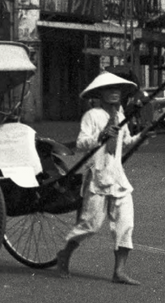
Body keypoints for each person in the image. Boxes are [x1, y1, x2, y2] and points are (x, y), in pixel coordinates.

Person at [55, 71, 141, 285]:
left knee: (125, 224)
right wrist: (100, 136)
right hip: (97, 176)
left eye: (117, 90)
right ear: (100, 93)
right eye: (109, 89)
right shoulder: (92, 116)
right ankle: (65, 254)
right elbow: (81, 143)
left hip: (118, 177)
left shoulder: (121, 116)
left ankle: (119, 271)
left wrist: (144, 136)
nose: (114, 93)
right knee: (90, 225)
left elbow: (127, 142)